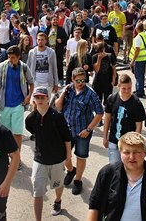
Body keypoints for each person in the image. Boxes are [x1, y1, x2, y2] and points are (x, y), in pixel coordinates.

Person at [88, 132, 146, 221]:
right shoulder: (107, 173)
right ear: (120, 153)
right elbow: (94, 206)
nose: (131, 157)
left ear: (144, 153)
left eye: (136, 152)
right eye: (126, 152)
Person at [25, 87, 72, 220]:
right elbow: (32, 131)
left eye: (42, 97)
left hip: (57, 158)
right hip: (39, 159)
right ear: (34, 99)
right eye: (37, 97)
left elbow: (67, 137)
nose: (39, 100)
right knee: (37, 191)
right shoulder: (30, 118)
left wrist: (68, 156)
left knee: (58, 184)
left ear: (47, 98)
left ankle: (57, 200)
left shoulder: (57, 117)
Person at [55, 67, 104, 195]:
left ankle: (78, 180)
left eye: (83, 80)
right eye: (78, 80)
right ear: (72, 79)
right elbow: (58, 107)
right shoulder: (68, 90)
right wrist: (62, 95)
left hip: (82, 132)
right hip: (67, 130)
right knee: (64, 156)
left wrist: (88, 129)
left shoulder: (90, 93)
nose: (81, 83)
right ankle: (71, 170)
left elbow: (99, 112)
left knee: (81, 156)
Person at [0, 45, 34, 157]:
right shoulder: (2, 66)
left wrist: (28, 96)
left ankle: (16, 157)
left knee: (17, 133)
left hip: (18, 104)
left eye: (13, 57)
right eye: (9, 57)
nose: (10, 59)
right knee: (4, 133)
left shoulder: (24, 67)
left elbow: (31, 83)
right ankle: (4, 157)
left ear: (18, 57)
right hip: (4, 104)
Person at [103, 75, 146, 163]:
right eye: (124, 88)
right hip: (114, 140)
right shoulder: (112, 98)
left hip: (128, 143)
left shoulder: (136, 103)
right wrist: (105, 137)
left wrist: (135, 143)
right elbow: (107, 118)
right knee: (114, 168)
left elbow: (139, 125)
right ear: (118, 86)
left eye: (129, 88)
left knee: (127, 168)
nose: (126, 91)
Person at [27, 32, 59, 97]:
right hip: (35, 82)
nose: (40, 41)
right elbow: (28, 67)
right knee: (35, 102)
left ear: (45, 41)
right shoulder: (32, 52)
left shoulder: (51, 52)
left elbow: (54, 68)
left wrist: (56, 83)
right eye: (39, 39)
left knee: (46, 103)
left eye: (42, 40)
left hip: (48, 82)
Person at [91, 41, 116, 107]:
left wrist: (113, 80)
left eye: (101, 51)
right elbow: (96, 70)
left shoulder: (110, 56)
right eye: (98, 51)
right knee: (97, 101)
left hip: (108, 82)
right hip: (98, 82)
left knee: (108, 101)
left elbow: (114, 69)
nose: (100, 53)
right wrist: (99, 59)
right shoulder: (94, 57)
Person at [129, 22, 146, 98]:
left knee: (138, 76)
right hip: (143, 58)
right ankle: (140, 90)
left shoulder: (138, 37)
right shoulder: (144, 35)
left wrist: (132, 60)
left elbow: (137, 50)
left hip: (139, 59)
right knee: (141, 75)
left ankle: (139, 92)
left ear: (137, 29)